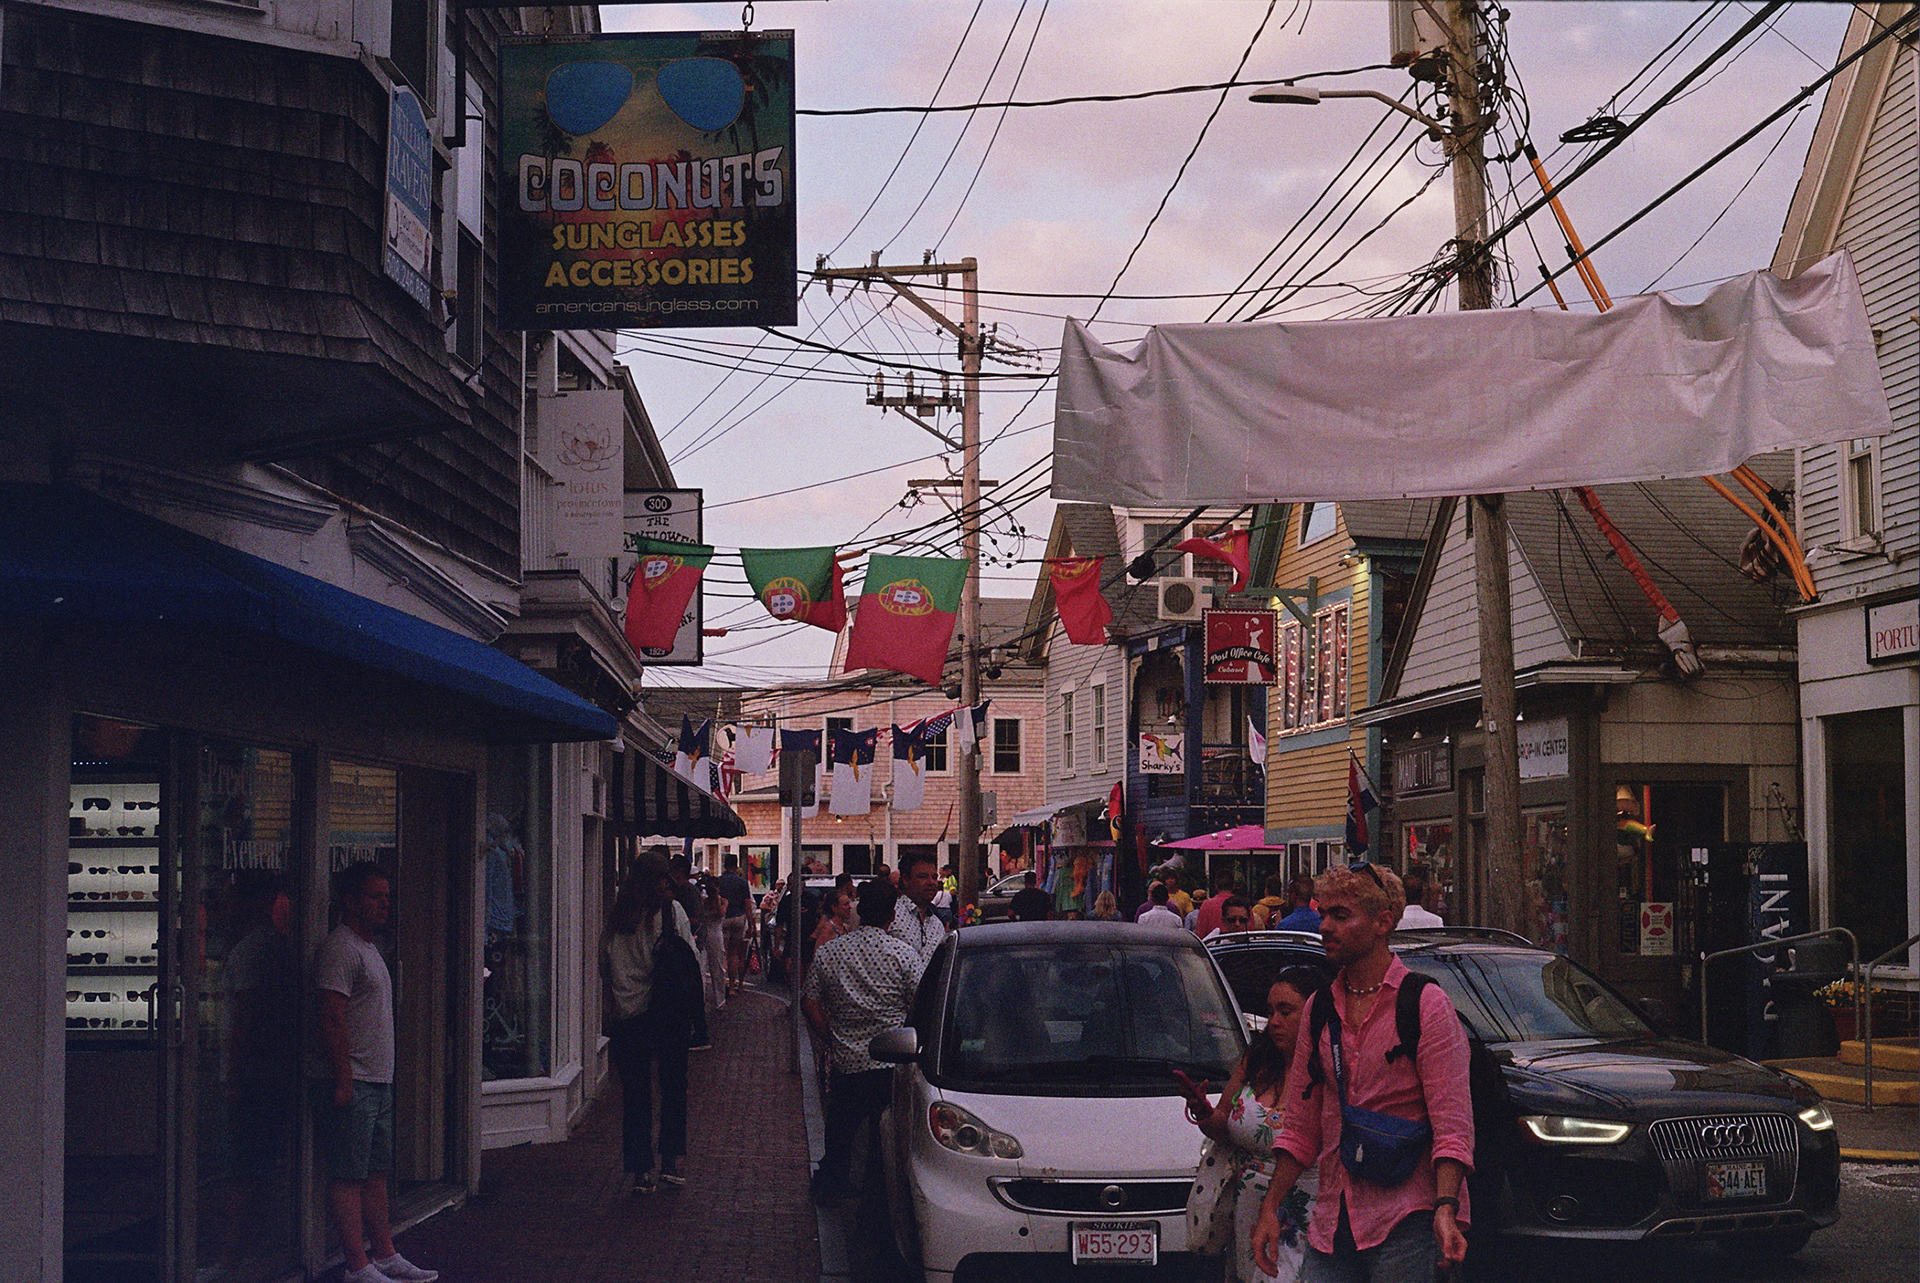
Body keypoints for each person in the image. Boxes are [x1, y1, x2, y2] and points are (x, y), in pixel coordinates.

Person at [1251, 864, 1473, 1283]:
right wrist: (1270, 1207)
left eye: (1340, 915)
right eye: (1323, 914)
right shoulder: (1319, 1008)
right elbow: (1300, 1126)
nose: (1325, 926)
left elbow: (1453, 1124)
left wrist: (1446, 1208)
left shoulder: (1425, 1005)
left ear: (1382, 923)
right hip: (1333, 1221)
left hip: (1410, 1218)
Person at [310, 863, 438, 1283]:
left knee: (376, 1171)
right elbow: (332, 1016)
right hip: (356, 1080)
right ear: (350, 901)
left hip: (378, 1079)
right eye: (374, 896)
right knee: (349, 1173)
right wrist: (344, 1079)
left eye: (386, 896)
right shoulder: (341, 949)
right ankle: (356, 1263)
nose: (384, 904)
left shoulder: (370, 949)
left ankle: (384, 1253)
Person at [1177, 965, 1328, 1283]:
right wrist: (1203, 1112)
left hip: (1307, 1216)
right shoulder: (1257, 1060)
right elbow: (1223, 1125)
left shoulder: (1329, 1069)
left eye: (1286, 1011)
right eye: (1270, 1012)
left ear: (1314, 1013)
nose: (1274, 1021)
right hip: (1248, 1214)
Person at [802, 880, 921, 1202]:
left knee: (841, 1125)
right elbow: (920, 1005)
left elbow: (809, 1002)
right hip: (891, 1061)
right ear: (892, 916)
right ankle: (876, 1193)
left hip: (848, 1059)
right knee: (884, 1133)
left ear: (859, 911)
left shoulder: (831, 952)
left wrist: (831, 1038)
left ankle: (833, 1181)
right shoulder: (904, 955)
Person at [601, 852, 696, 1195]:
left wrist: (616, 1005)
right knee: (673, 1088)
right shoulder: (671, 912)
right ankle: (670, 1160)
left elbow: (606, 964)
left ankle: (640, 1168)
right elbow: (690, 960)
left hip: (628, 1015)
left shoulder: (617, 918)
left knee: (636, 1095)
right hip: (667, 1012)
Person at [665, 852, 713, 1051]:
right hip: (692, 945)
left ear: (678, 871)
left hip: (689, 946)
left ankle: (698, 1032)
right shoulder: (688, 890)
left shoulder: (685, 892)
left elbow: (693, 919)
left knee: (692, 990)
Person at [888, 848, 947, 971]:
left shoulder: (937, 924)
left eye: (934, 877)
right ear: (906, 879)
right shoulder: (891, 916)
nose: (931, 882)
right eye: (923, 877)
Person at [716, 854, 753, 994]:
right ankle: (733, 985)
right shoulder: (742, 882)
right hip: (739, 917)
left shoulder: (719, 881)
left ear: (724, 864)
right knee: (734, 954)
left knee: (723, 953)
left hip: (724, 917)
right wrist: (751, 924)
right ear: (736, 865)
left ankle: (722, 984)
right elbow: (747, 905)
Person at [694, 874, 728, 1014]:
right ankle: (700, 1000)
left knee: (717, 967)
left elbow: (720, 914)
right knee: (701, 967)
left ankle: (720, 1000)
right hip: (704, 933)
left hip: (715, 934)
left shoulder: (723, 901)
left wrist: (716, 898)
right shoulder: (703, 901)